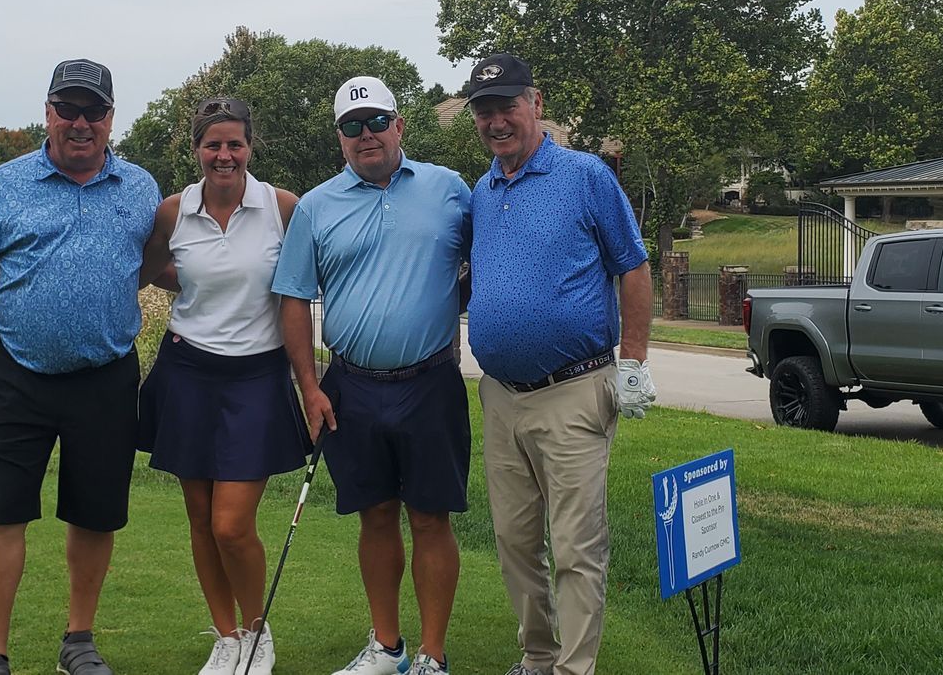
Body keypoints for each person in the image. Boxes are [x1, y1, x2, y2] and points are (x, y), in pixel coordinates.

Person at [0, 58, 160, 675]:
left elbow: (165, 261)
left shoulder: (140, 188)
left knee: (94, 514)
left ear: (111, 118)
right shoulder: (2, 186)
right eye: (69, 108)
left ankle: (78, 642)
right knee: (4, 511)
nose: (81, 122)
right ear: (49, 113)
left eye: (94, 111)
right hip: (17, 375)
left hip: (107, 378)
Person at [459, 54, 656, 675]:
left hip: (573, 389)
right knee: (516, 543)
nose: (495, 121)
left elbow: (634, 266)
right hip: (501, 396)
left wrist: (635, 361)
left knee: (575, 546)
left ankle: (575, 668)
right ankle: (537, 657)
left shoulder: (585, 175)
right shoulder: (482, 192)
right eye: (484, 110)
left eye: (506, 106)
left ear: (535, 103)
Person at [269, 76, 472, 675]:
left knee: (430, 516)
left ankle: (433, 656)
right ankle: (387, 647)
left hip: (431, 381)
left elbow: (488, 261)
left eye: (377, 122)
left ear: (399, 125)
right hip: (352, 385)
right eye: (353, 127)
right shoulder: (316, 207)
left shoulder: (449, 190)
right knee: (376, 515)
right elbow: (294, 299)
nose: (367, 136)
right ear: (340, 138)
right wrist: (309, 387)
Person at [136, 97, 305, 675]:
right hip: (187, 370)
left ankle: (257, 633)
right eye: (213, 145)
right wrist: (188, 284)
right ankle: (226, 635)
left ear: (250, 147)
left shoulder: (282, 207)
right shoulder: (173, 211)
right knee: (200, 517)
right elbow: (146, 267)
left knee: (232, 523)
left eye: (235, 144)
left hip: (257, 374)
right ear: (197, 151)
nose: (224, 155)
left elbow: (305, 284)